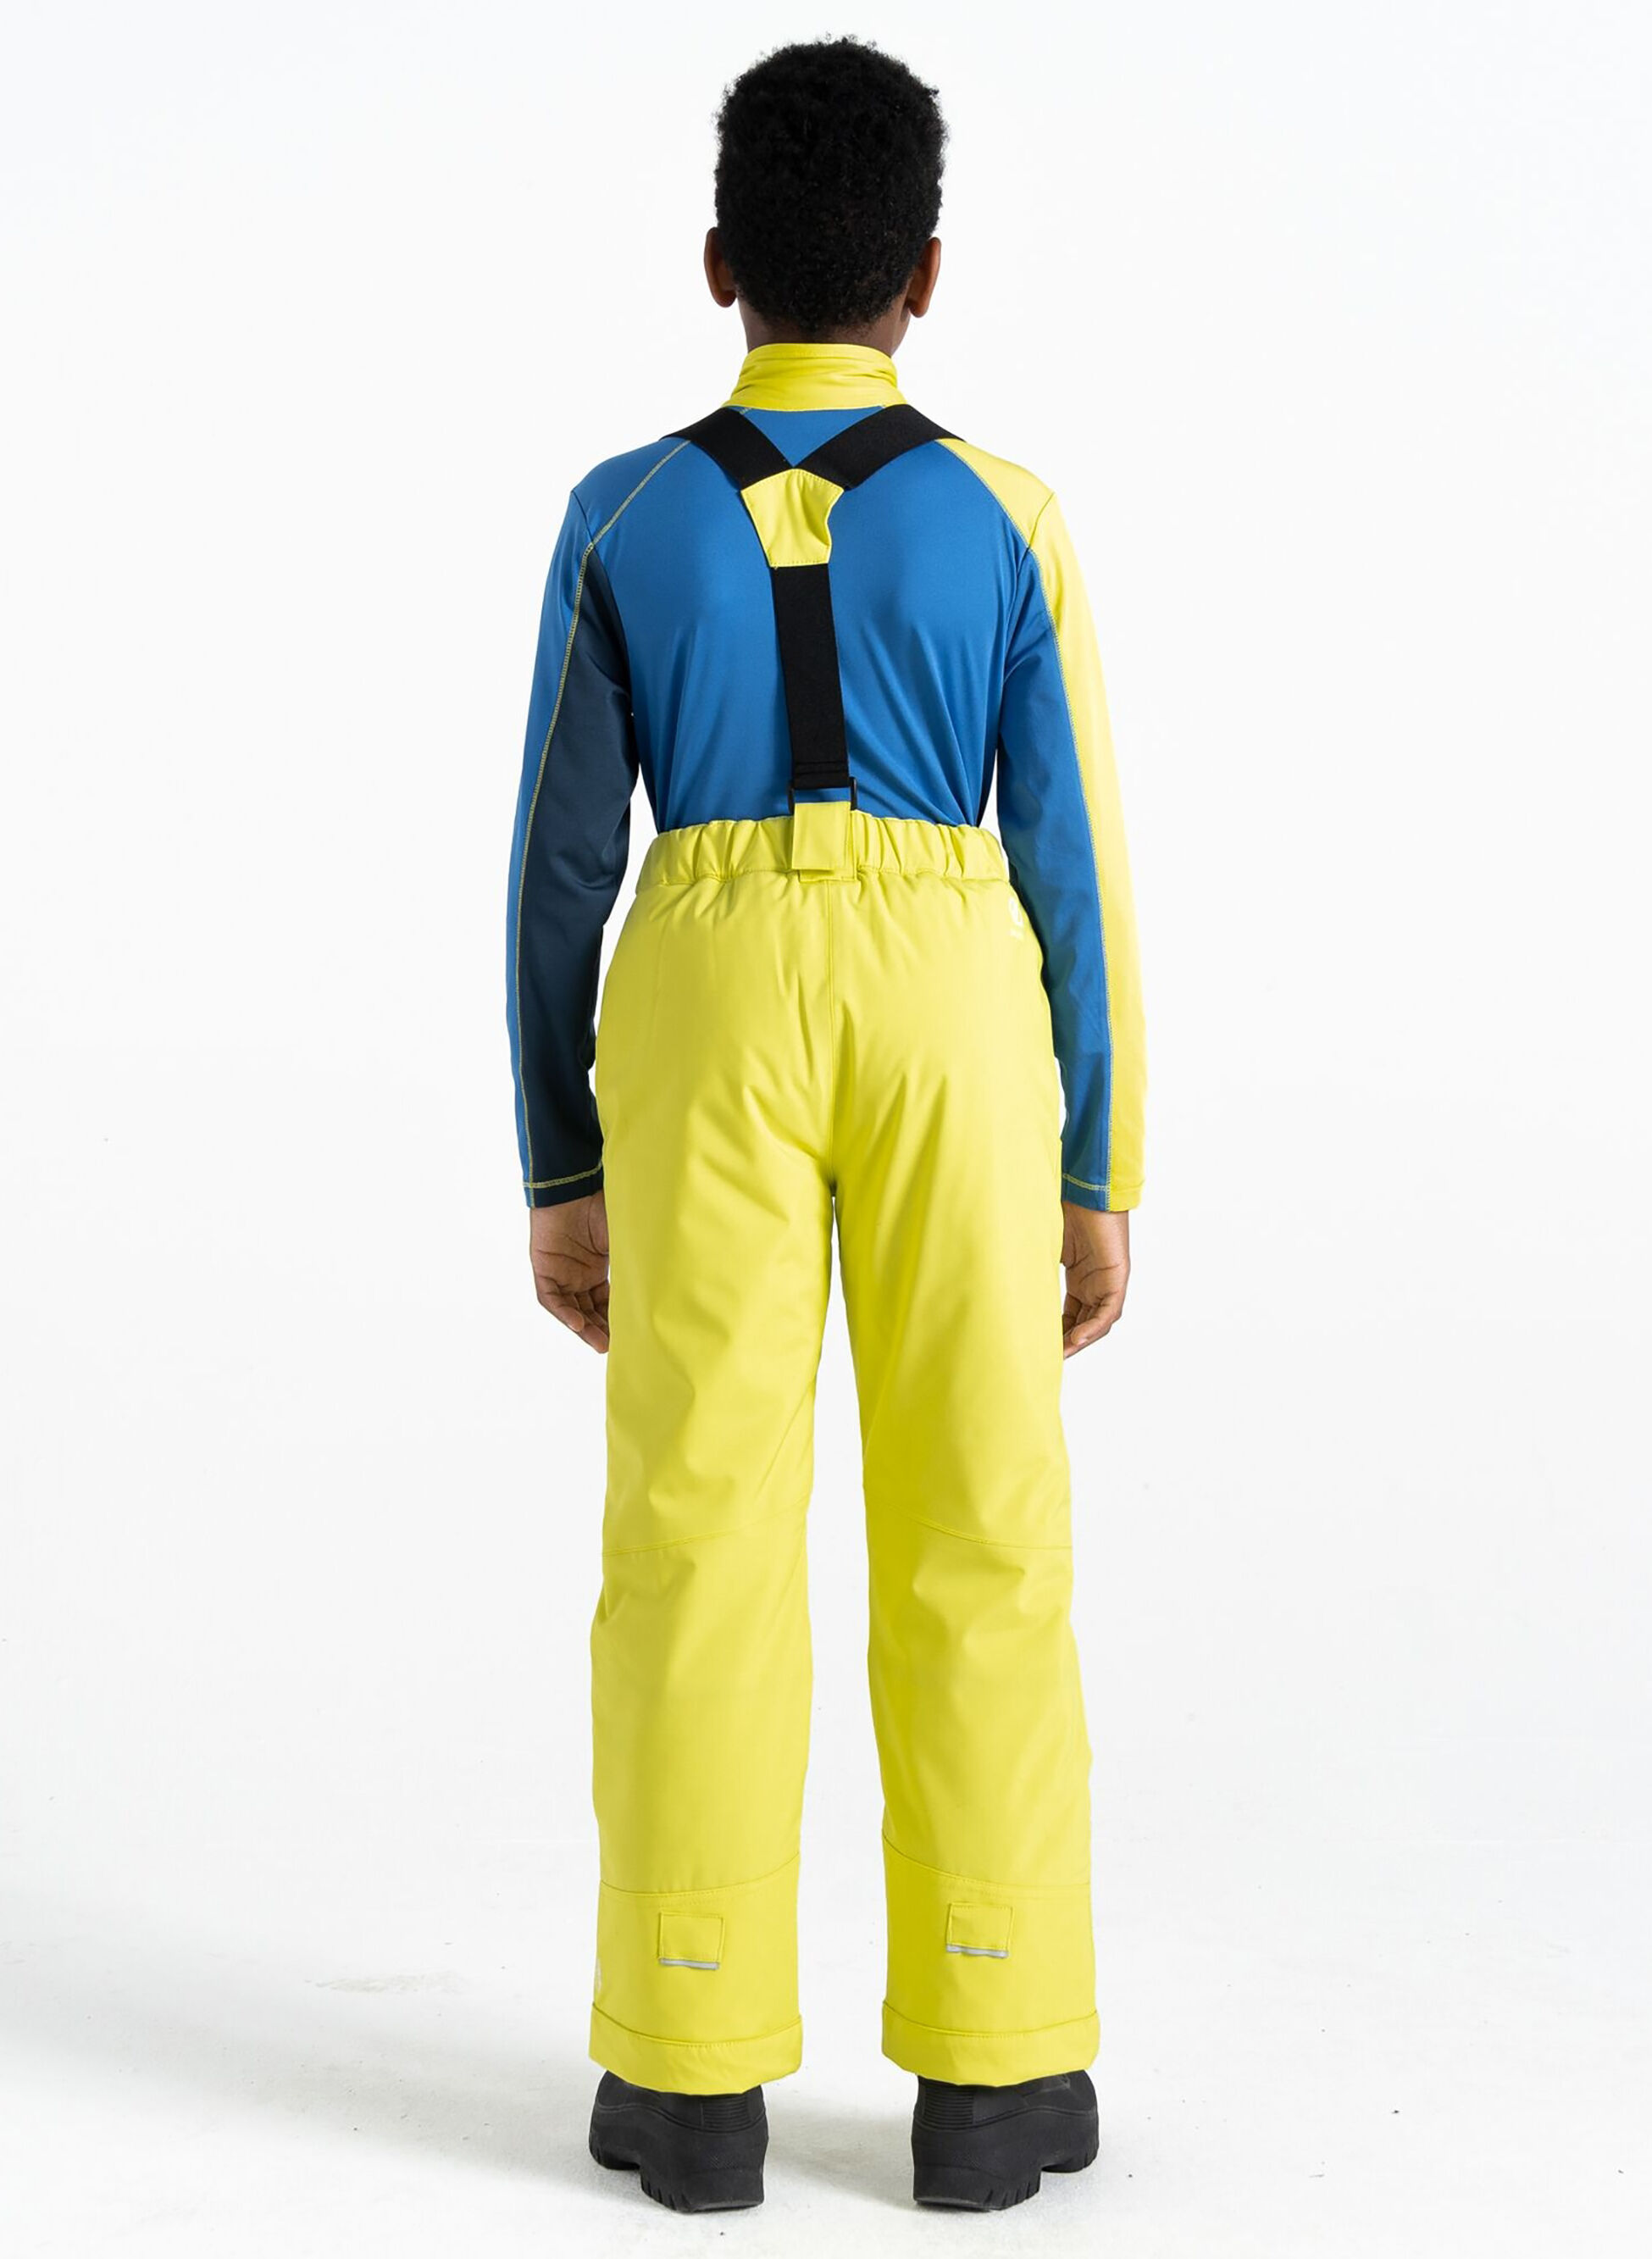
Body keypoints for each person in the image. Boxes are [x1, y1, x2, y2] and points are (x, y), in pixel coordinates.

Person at [506, 33, 1145, 2215]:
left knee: (696, 1524)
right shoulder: (1008, 515)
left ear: (719, 262)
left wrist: (562, 1162)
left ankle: (689, 2070)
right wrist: (1094, 1165)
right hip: (953, 990)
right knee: (981, 1513)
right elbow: (1073, 865)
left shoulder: (620, 513)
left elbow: (557, 868)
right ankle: (996, 2063)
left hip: (702, 990)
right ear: (926, 276)